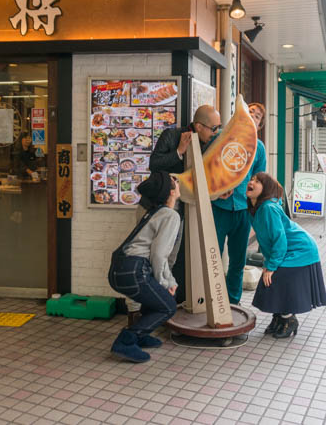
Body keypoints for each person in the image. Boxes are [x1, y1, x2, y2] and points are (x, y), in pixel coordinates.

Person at [148, 105, 221, 303]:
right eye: (213, 128)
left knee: (171, 258)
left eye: (218, 127)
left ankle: (165, 303)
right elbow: (153, 164)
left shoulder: (209, 144)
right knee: (154, 257)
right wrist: (179, 151)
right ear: (199, 126)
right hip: (158, 208)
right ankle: (144, 308)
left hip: (182, 210)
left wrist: (220, 190)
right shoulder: (172, 135)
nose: (216, 133)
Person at [107, 171, 183, 363]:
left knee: (156, 298)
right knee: (168, 306)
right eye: (175, 181)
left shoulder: (154, 212)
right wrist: (166, 282)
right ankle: (126, 341)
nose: (178, 182)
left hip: (121, 269)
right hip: (135, 270)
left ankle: (141, 336)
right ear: (171, 192)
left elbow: (157, 254)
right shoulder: (170, 215)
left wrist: (165, 281)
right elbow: (159, 254)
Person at [245, 172, 326, 338]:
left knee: (276, 277)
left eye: (257, 181)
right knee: (269, 278)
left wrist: (271, 267)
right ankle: (279, 318)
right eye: (252, 179)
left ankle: (289, 319)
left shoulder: (268, 208)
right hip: (290, 249)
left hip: (301, 249)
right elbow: (268, 242)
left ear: (265, 189)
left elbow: (279, 240)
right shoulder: (255, 209)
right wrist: (268, 264)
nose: (251, 182)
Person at [211, 102, 267, 305]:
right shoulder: (221, 138)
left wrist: (256, 210)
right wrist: (217, 189)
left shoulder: (259, 148)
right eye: (249, 111)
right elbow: (208, 167)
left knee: (238, 260)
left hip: (243, 210)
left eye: (257, 116)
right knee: (212, 257)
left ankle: (233, 301)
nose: (252, 116)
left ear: (259, 125)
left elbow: (258, 180)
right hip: (218, 207)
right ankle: (212, 301)